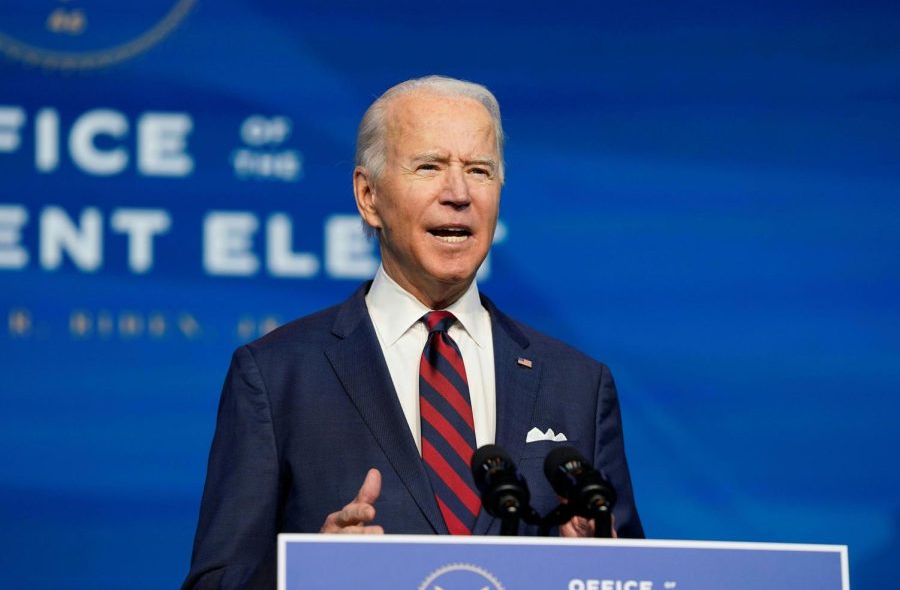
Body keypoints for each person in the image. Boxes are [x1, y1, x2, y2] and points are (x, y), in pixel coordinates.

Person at [182, 75, 643, 589]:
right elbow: (212, 582)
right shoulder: (276, 376)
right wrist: (306, 574)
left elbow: (634, 570)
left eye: (479, 170)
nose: (459, 193)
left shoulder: (577, 383)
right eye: (429, 167)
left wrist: (604, 568)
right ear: (368, 196)